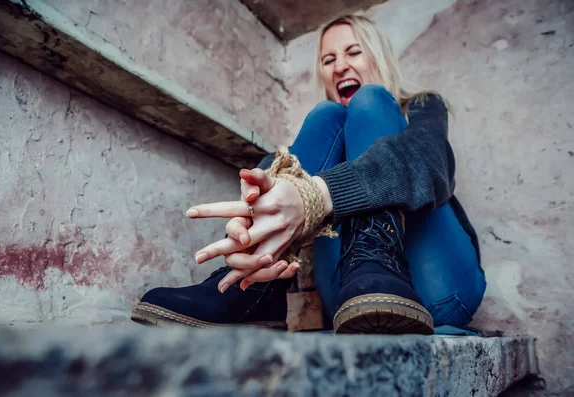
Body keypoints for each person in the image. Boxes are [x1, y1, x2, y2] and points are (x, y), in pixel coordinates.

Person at [131, 15, 486, 334]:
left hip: (439, 286)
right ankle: (251, 286)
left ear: (378, 57)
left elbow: (430, 158)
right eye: (328, 60)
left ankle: (379, 264)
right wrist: (253, 223)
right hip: (354, 297)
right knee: (324, 117)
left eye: (353, 53)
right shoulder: (320, 140)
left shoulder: (423, 106)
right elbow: (274, 177)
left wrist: (317, 193)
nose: (339, 67)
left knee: (370, 101)